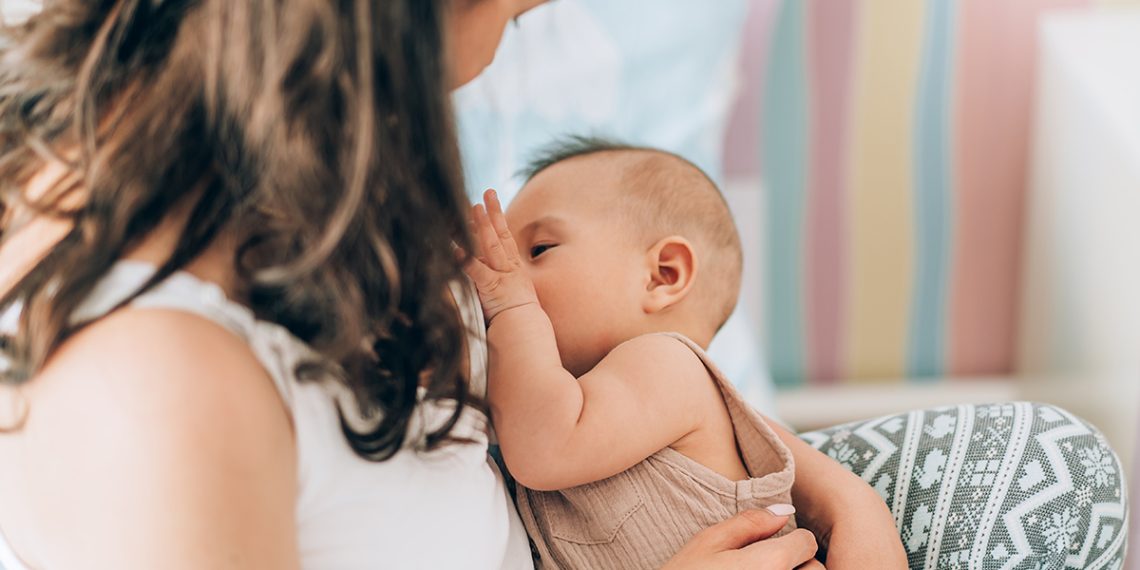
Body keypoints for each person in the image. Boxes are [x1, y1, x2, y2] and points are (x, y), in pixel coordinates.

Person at [0, 0, 823, 567]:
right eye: (502, 17)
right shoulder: (156, 385)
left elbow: (642, 398)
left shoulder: (338, 213)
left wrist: (839, 501)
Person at [463, 138, 907, 568]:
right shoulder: (552, 398)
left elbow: (545, 447)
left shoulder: (666, 364)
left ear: (663, 275)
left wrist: (514, 309)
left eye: (539, 249)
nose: (508, 274)